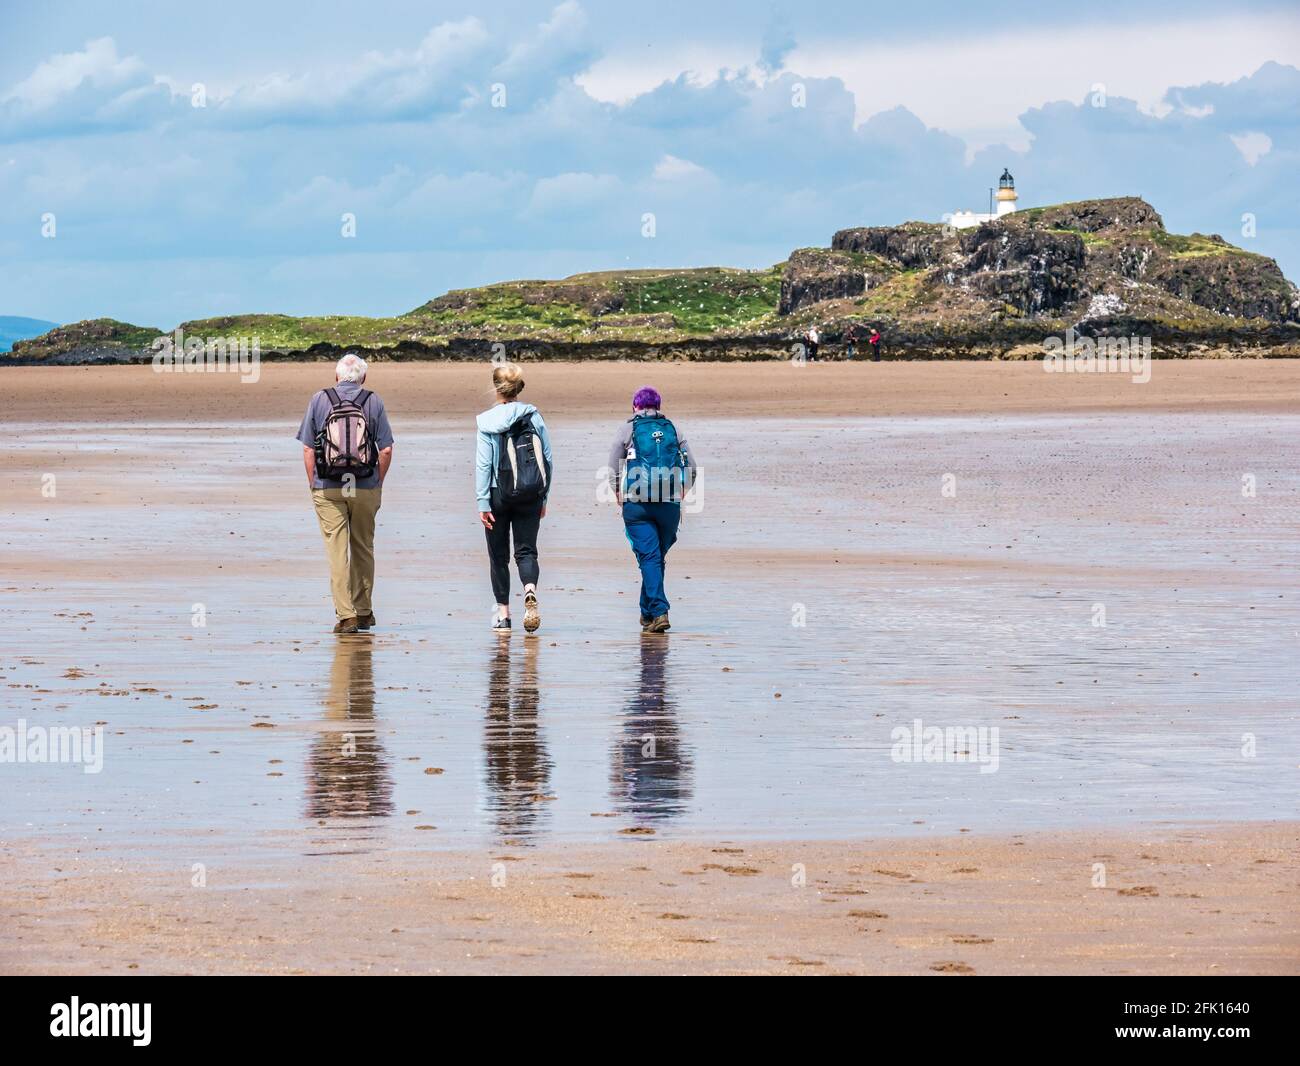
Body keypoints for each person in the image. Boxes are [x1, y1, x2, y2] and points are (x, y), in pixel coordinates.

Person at [297, 353, 394, 634]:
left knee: (337, 552)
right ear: (363, 378)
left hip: (328, 486)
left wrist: (313, 483)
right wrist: (378, 482)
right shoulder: (373, 400)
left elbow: (306, 448)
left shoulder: (319, 399)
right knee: (363, 547)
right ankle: (363, 611)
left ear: (336, 376)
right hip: (365, 485)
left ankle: (346, 615)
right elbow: (386, 449)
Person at [607, 386, 697, 632]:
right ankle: (647, 613)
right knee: (655, 558)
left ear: (635, 407)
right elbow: (692, 466)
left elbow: (613, 464)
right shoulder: (673, 429)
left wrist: (616, 490)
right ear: (658, 406)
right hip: (669, 504)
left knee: (650, 557)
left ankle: (659, 611)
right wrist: (684, 490)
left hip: (637, 505)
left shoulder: (628, 429)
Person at [476, 364, 554, 632]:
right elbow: (548, 458)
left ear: (496, 387)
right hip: (530, 491)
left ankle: (504, 615)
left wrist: (482, 502)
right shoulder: (534, 416)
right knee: (526, 551)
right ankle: (530, 590)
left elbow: (484, 465)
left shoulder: (487, 421)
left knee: (498, 555)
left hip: (498, 494)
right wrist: (543, 497)